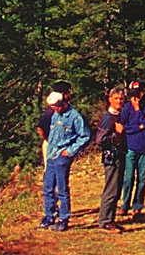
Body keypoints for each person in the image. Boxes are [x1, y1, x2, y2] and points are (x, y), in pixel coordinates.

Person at [35, 83, 90, 231]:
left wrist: (70, 151)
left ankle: (63, 218)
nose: (56, 110)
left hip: (62, 156)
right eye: (53, 108)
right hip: (51, 155)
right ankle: (48, 216)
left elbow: (84, 137)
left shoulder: (74, 117)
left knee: (62, 188)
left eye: (58, 107)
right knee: (48, 187)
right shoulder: (54, 115)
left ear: (64, 102)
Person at [120, 79, 145, 220]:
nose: (135, 97)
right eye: (133, 94)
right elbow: (124, 126)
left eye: (138, 93)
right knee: (128, 177)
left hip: (144, 147)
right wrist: (138, 127)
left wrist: (138, 111)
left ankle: (137, 206)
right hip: (130, 147)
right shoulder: (126, 107)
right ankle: (125, 204)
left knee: (141, 179)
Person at [95, 86, 127, 231]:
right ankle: (105, 221)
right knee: (111, 189)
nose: (119, 101)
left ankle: (110, 219)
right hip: (111, 157)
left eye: (121, 99)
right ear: (110, 100)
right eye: (116, 99)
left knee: (116, 189)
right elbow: (100, 140)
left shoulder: (119, 115)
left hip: (119, 155)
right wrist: (117, 135)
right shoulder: (108, 117)